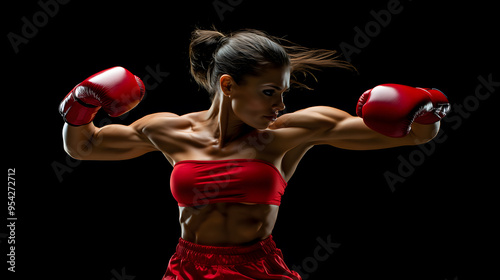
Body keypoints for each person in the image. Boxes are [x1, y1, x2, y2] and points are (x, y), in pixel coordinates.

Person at [59, 28, 450, 279]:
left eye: (283, 92)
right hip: (188, 269)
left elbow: (414, 136)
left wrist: (428, 107)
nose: (279, 104)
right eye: (268, 92)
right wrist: (81, 106)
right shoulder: (170, 130)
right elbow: (85, 146)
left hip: (257, 267)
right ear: (228, 86)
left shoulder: (292, 131)